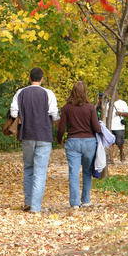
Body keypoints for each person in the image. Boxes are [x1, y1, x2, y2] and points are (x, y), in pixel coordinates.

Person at [10, 67, 60, 214]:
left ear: (30, 78)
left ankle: (27, 201)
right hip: (44, 135)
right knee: (40, 171)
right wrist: (60, 134)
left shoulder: (20, 93)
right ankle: (35, 207)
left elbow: (13, 112)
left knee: (28, 168)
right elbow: (55, 115)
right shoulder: (48, 94)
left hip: (27, 134)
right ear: (42, 79)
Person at [56, 81, 101, 209]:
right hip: (89, 143)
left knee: (73, 172)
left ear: (73, 91)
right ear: (85, 92)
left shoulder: (66, 108)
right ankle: (86, 200)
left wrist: (59, 139)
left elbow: (62, 127)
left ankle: (75, 203)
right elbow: (97, 127)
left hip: (73, 142)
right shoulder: (90, 108)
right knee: (87, 171)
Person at [109, 92, 128, 163]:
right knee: (110, 142)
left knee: (119, 142)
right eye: (111, 94)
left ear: (117, 94)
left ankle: (121, 152)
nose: (113, 96)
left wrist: (120, 113)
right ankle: (111, 158)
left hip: (119, 127)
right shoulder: (108, 104)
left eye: (114, 94)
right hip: (110, 126)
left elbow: (127, 113)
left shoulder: (122, 103)